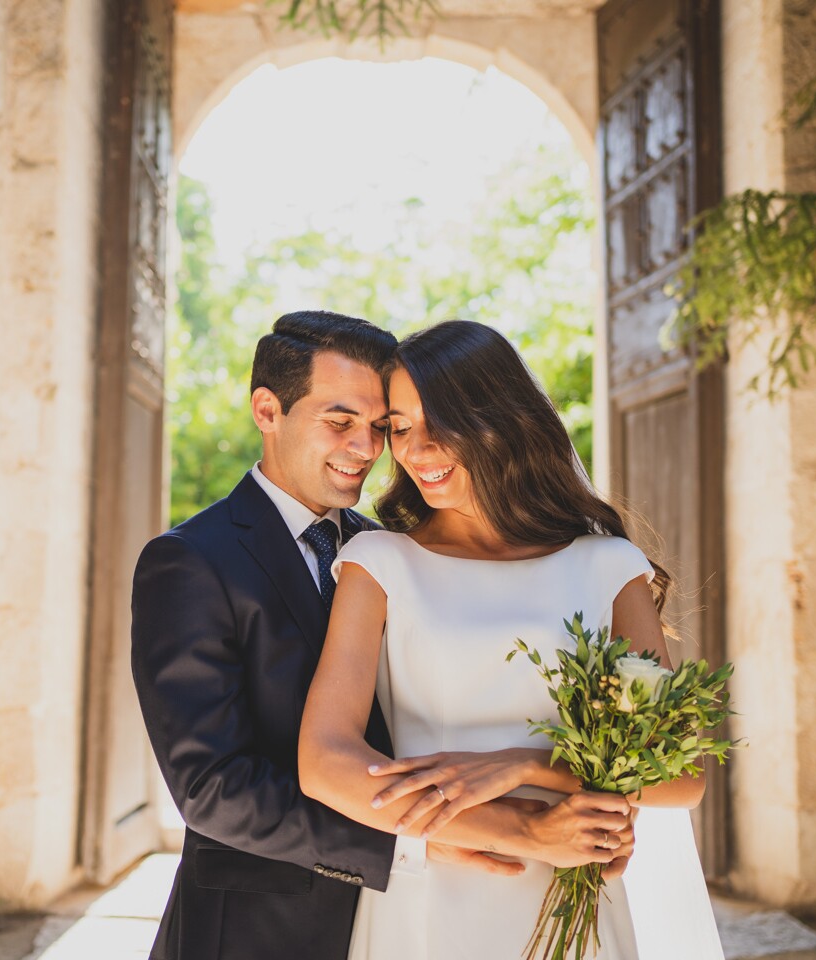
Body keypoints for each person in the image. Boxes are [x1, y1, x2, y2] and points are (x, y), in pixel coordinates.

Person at [131, 312, 636, 960]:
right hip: (262, 932)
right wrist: (424, 838)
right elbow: (213, 791)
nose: (367, 449)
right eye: (340, 422)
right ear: (267, 410)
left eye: (379, 428)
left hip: (411, 922)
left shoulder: (389, 546)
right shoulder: (191, 561)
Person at [297, 320, 724, 960]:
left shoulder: (606, 567)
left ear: (503, 418)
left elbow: (683, 776)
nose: (417, 449)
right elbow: (324, 762)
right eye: (401, 428)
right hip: (431, 900)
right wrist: (525, 829)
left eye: (442, 422)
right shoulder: (379, 561)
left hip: (577, 897)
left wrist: (525, 767)